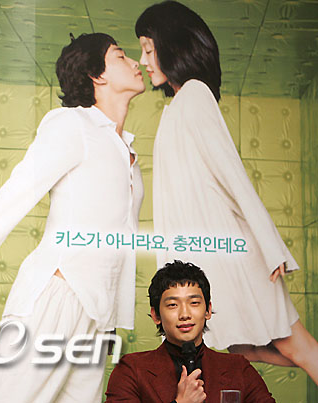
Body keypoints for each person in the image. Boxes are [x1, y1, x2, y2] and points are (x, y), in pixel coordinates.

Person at [0, 33, 145, 402]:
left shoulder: (126, 151)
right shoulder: (72, 124)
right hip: (57, 296)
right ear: (97, 75)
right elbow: (17, 192)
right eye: (121, 55)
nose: (135, 62)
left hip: (98, 314)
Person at [135, 0, 318, 384]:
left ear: (173, 45)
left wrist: (270, 246)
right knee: (240, 351)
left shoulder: (195, 95)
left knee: (296, 346)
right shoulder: (176, 107)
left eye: (149, 49)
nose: (143, 60)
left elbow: (234, 176)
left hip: (238, 258)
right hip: (212, 259)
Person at [105, 260, 275, 402]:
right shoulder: (132, 370)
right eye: (173, 305)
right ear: (156, 315)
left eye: (194, 303)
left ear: (208, 310)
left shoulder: (237, 368)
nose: (185, 314)